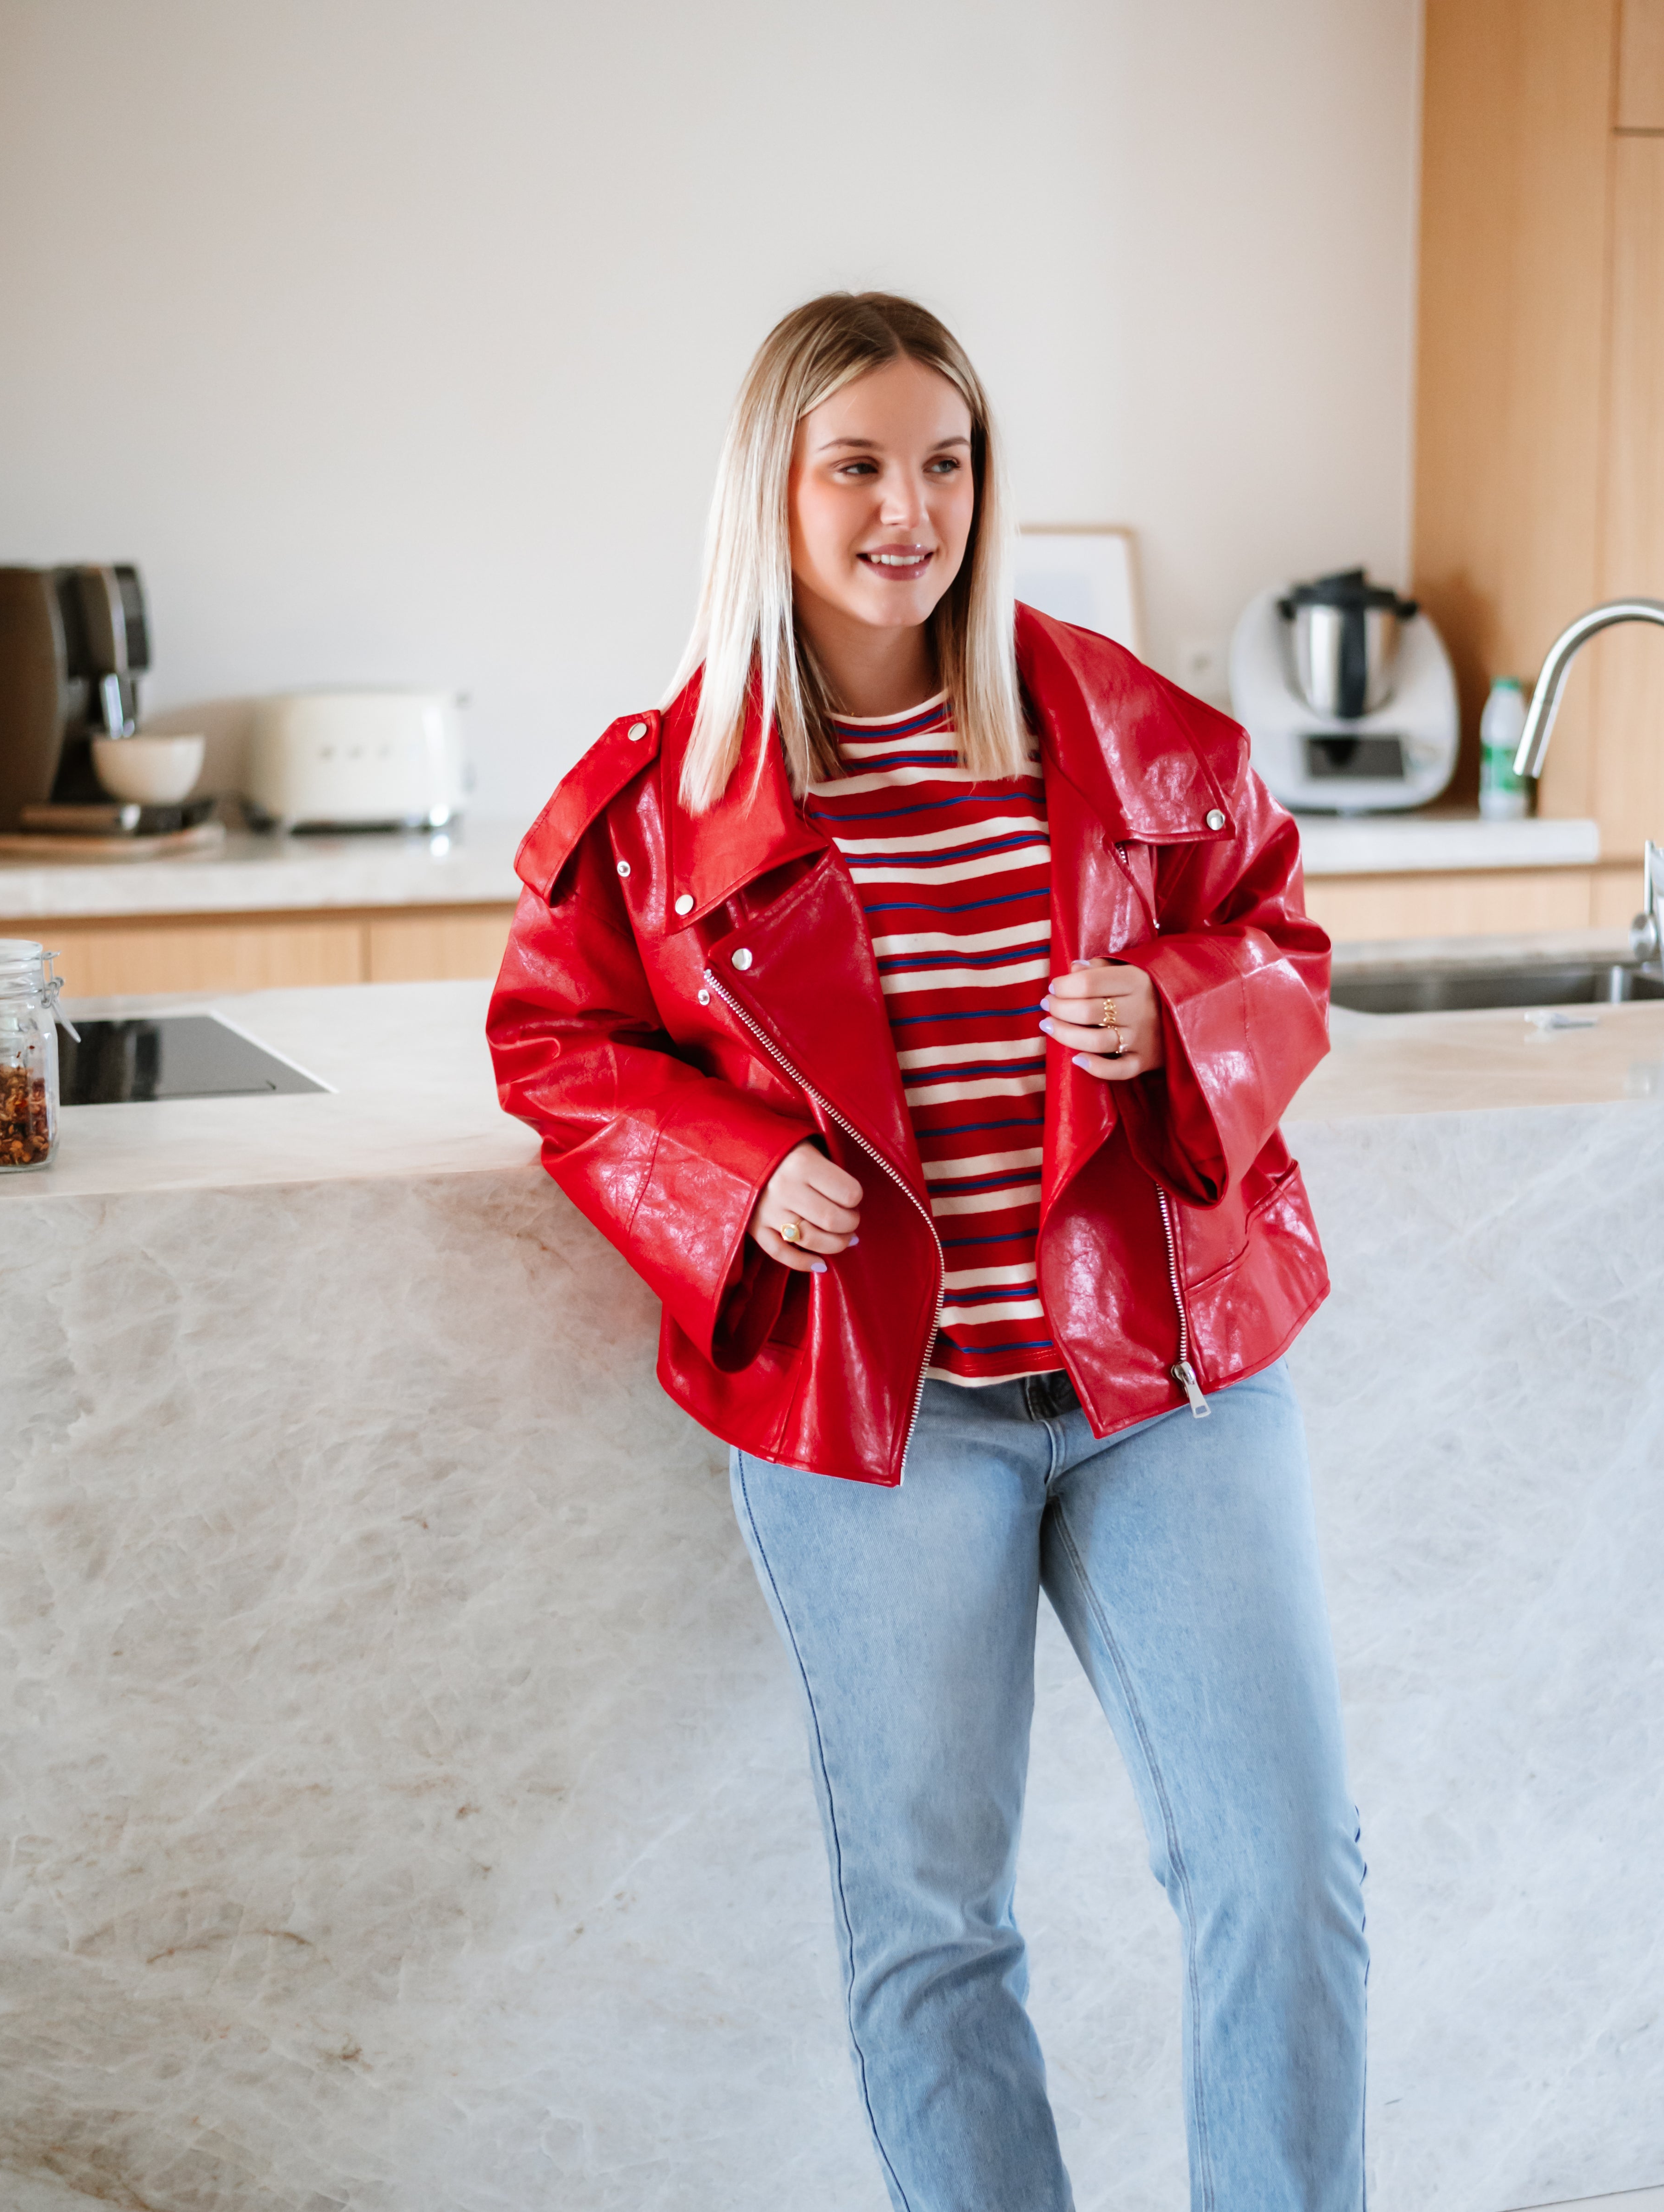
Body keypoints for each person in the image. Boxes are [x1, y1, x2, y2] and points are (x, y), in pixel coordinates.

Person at [487, 291, 1368, 2212]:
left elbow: (1284, 943)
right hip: (883, 1422)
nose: (913, 510)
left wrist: (1177, 1005)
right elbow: (557, 1043)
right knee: (935, 1922)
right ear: (773, 488)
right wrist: (730, 1177)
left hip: (1167, 1377)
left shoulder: (1124, 726)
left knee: (1284, 1865)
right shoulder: (663, 797)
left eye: (947, 463)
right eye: (860, 466)